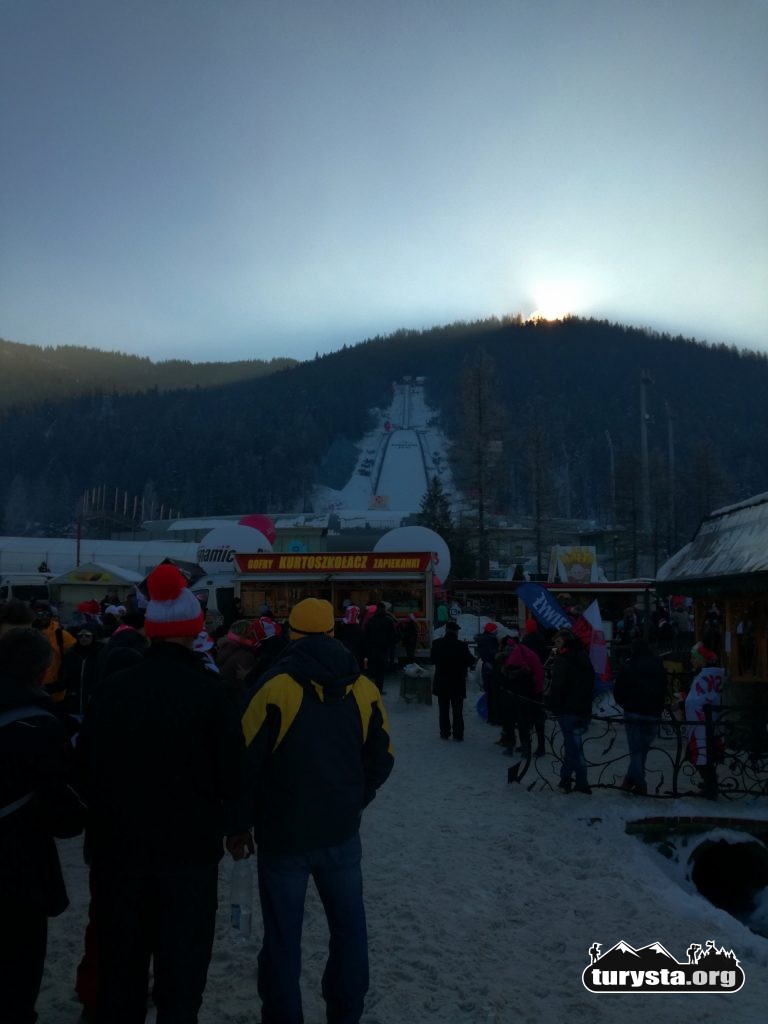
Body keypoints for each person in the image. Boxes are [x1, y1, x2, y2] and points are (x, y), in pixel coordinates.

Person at [76, 563, 245, 1024]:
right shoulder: (212, 694)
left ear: (150, 630)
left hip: (118, 855)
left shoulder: (111, 690)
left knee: (121, 974)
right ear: (193, 631)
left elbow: (84, 767)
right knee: (182, 978)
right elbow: (234, 776)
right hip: (189, 857)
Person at [227, 597, 394, 1024]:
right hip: (341, 832)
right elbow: (382, 757)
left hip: (283, 836)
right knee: (350, 930)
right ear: (334, 633)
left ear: (291, 633)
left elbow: (242, 764)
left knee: (283, 938)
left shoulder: (273, 687)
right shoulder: (364, 687)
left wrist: (239, 825)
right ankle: (346, 1013)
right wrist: (355, 798)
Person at [0, 627, 85, 1024]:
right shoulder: (40, 725)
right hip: (20, 863)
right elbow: (63, 813)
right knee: (20, 958)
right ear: (42, 671)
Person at [613, 638, 668, 794]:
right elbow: (664, 686)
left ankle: (639, 783)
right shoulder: (658, 665)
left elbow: (619, 689)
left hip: (634, 712)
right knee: (642, 750)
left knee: (636, 751)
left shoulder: (629, 665)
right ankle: (629, 780)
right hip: (653, 713)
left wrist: (624, 703)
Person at [547, 629, 594, 794]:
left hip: (568, 709)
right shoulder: (584, 657)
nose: (556, 645)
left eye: (558, 642)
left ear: (566, 642)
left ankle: (581, 780)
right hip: (583, 709)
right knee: (572, 745)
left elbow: (557, 685)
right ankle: (565, 778)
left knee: (574, 747)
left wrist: (552, 705)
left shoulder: (564, 659)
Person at [683, 641, 725, 800]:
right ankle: (710, 782)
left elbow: (695, 700)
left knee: (700, 753)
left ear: (702, 660)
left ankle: (710, 784)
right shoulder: (711, 675)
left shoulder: (703, 676)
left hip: (702, 723)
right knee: (706, 753)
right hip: (710, 721)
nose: (691, 660)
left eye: (694, 657)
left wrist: (682, 702)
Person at [430, 619, 476, 741]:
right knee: (457, 710)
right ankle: (458, 734)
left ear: (446, 630)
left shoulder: (437, 643)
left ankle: (444, 732)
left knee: (443, 710)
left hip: (441, 682)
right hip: (457, 682)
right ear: (456, 632)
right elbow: (470, 662)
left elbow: (432, 660)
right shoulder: (462, 645)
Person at [30, 599, 76, 706]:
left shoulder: (60, 634)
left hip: (54, 689)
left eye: (46, 614)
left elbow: (75, 656)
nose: (43, 617)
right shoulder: (28, 633)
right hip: (30, 687)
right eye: (40, 614)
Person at [60, 625, 102, 715]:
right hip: (73, 698)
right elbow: (64, 676)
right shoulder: (71, 653)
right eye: (81, 635)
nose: (84, 638)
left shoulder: (100, 653)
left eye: (87, 635)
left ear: (93, 637)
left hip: (93, 697)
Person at [362, 602, 397, 692]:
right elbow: (393, 636)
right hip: (384, 649)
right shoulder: (388, 621)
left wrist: (367, 649)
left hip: (372, 649)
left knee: (373, 669)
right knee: (381, 670)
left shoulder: (370, 621)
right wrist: (389, 645)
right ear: (384, 609)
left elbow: (365, 636)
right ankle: (379, 689)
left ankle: (372, 689)